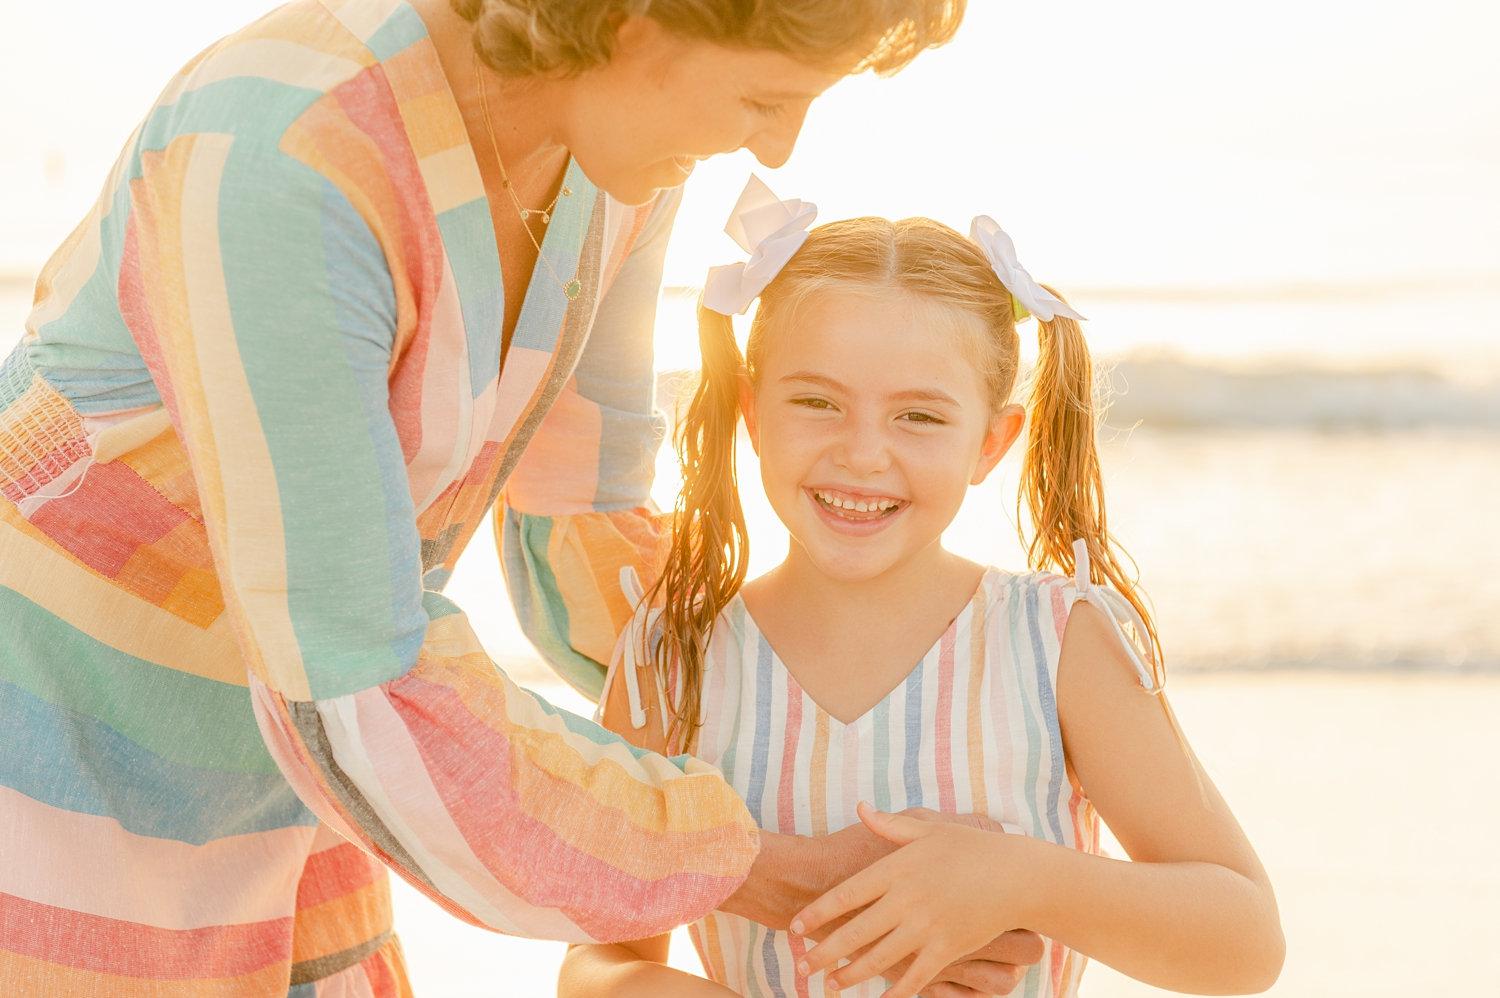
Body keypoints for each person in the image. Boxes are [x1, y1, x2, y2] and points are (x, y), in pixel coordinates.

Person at [0, 2, 1051, 996]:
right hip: (54, 777)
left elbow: (579, 515)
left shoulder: (615, 165)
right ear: (639, 17)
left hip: (292, 786)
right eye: (766, 98)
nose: (776, 149)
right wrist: (745, 857)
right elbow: (359, 684)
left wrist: (872, 704)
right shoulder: (284, 156)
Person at [559, 179, 1286, 998]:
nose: (863, 453)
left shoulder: (1056, 642)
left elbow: (1244, 939)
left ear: (991, 441)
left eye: (920, 417)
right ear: (751, 413)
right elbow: (599, 958)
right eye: (817, 402)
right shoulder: (674, 656)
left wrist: (1016, 877)